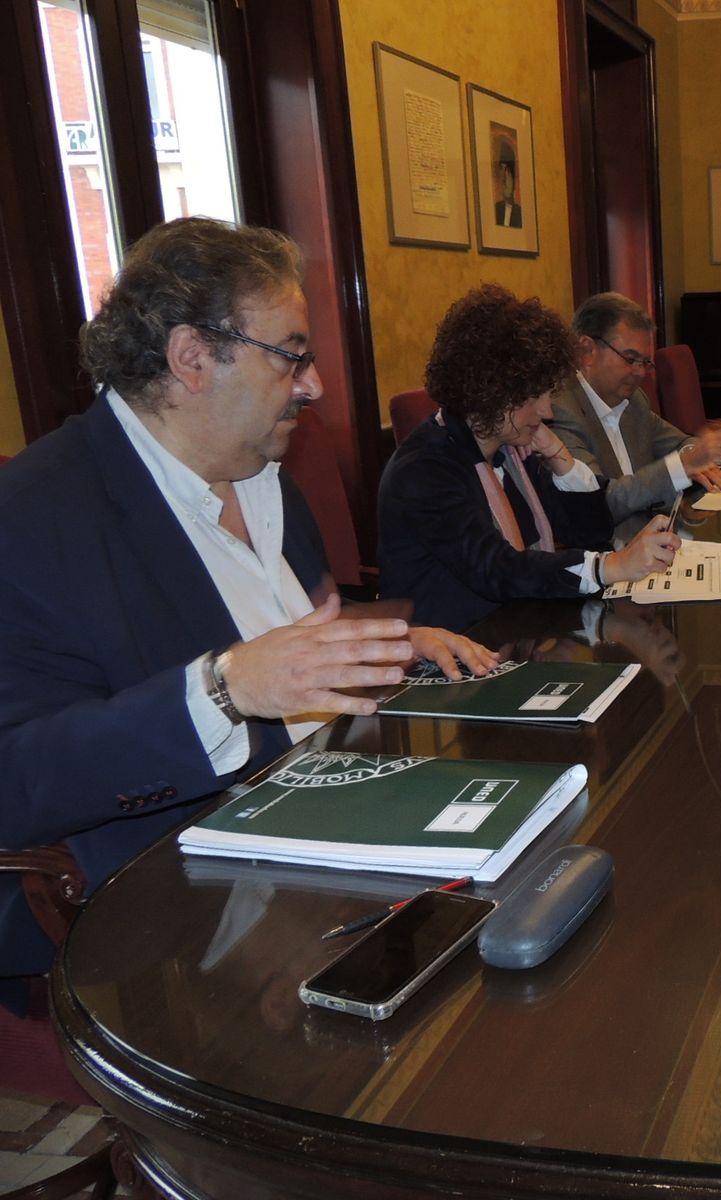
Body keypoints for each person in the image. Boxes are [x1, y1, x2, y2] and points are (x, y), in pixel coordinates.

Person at [0, 217, 493, 980]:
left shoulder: (267, 480)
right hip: (191, 917)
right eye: (292, 356)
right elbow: (18, 783)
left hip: (340, 814)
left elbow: (287, 642)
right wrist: (226, 691)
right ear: (192, 358)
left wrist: (387, 642)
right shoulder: (31, 518)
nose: (315, 385)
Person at [377, 284, 680, 632]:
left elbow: (591, 531)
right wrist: (610, 567)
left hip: (518, 635)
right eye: (534, 397)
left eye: (548, 394)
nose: (547, 410)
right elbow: (497, 569)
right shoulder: (425, 469)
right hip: (451, 656)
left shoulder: (513, 451)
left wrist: (560, 457)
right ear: (489, 392)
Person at [548, 292, 721, 527]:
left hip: (653, 540)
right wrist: (684, 465)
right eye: (630, 359)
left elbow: (678, 444)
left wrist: (703, 452)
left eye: (645, 362)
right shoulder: (560, 412)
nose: (640, 372)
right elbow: (600, 503)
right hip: (608, 555)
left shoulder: (633, 401)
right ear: (587, 351)